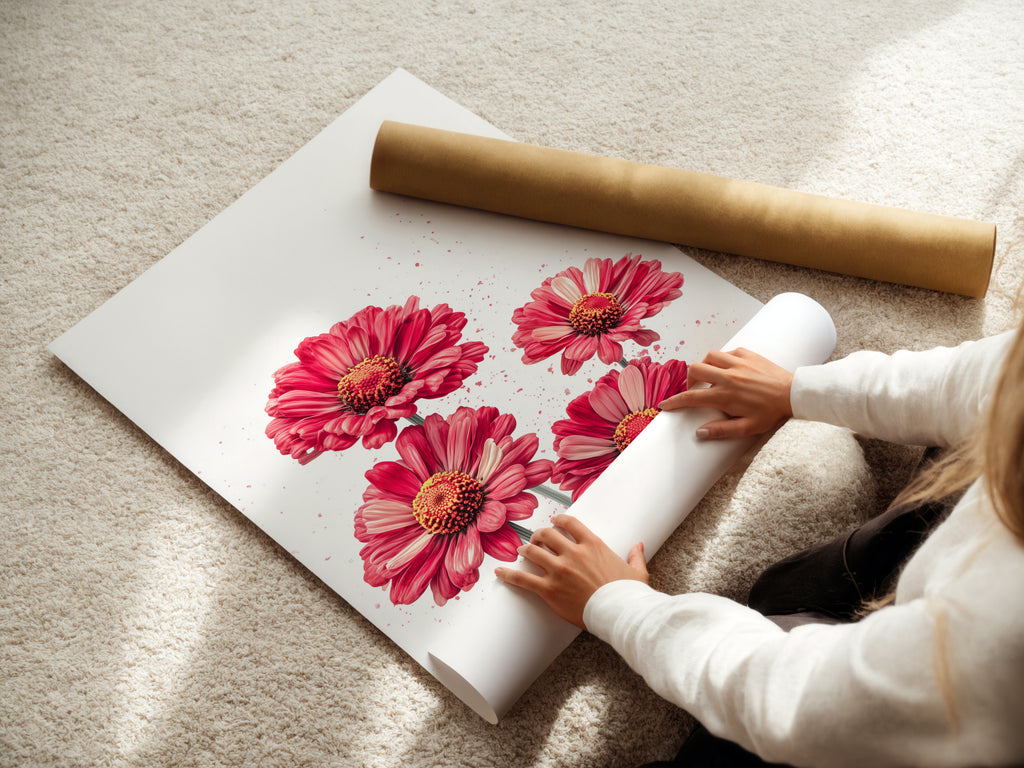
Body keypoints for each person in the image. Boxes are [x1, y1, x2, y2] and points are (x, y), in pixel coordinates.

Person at [495, 322, 1024, 767]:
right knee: (787, 591)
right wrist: (797, 390)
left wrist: (619, 605)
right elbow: (983, 379)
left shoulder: (998, 637)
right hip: (952, 608)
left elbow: (795, 702)